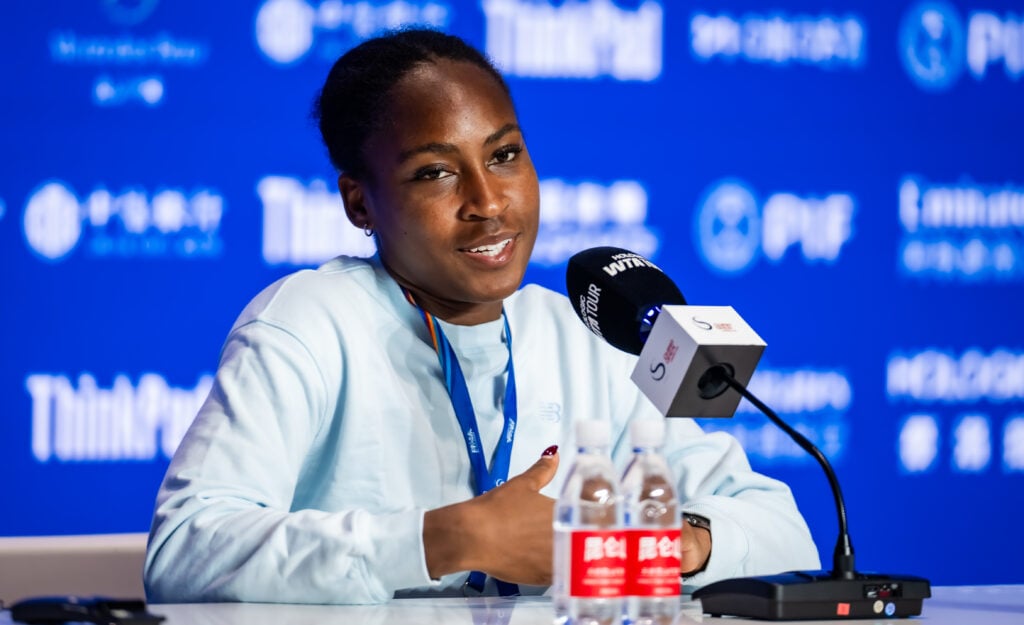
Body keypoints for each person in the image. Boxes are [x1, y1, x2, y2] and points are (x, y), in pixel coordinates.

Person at [143, 28, 820, 605]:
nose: (488, 201)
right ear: (360, 204)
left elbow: (785, 530)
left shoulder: (588, 335)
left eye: (504, 156)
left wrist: (674, 543)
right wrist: (446, 538)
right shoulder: (309, 322)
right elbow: (182, 552)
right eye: (435, 173)